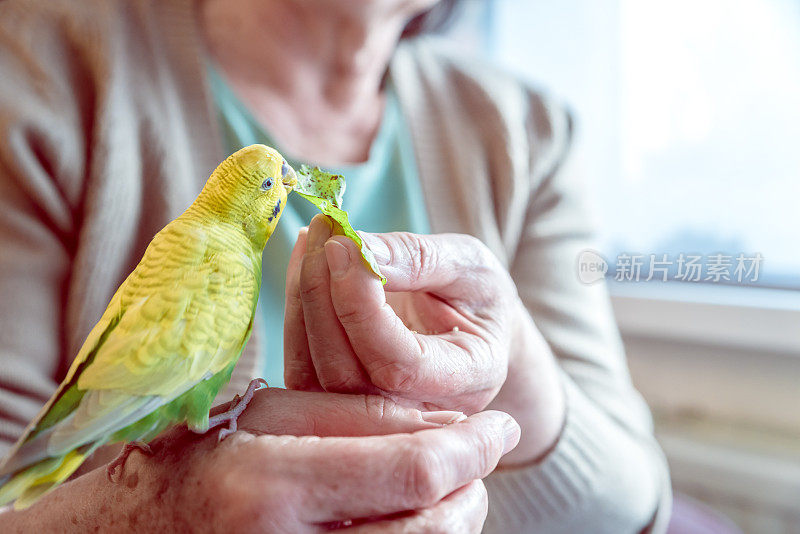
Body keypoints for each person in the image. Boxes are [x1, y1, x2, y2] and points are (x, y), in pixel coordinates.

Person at [0, 0, 670, 532]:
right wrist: (141, 516)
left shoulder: (532, 134)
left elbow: (630, 506)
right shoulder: (37, 66)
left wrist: (509, 365)